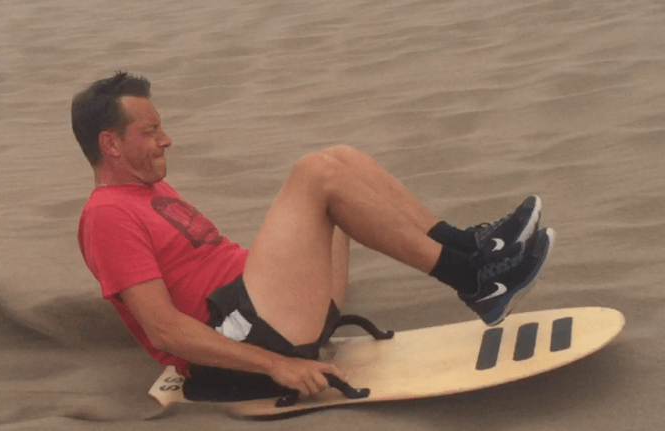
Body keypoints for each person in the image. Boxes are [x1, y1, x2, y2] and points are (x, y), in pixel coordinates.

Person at [72, 71, 554, 399]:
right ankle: (472, 279)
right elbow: (164, 329)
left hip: (274, 310)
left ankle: (469, 249)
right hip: (245, 340)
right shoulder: (106, 216)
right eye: (150, 131)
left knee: (341, 159)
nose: (166, 139)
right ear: (110, 144)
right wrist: (275, 365)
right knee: (315, 175)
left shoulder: (147, 189)